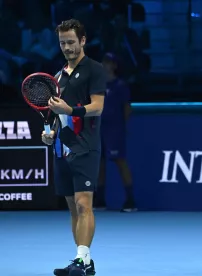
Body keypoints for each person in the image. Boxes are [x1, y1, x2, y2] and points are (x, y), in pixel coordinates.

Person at [41, 19, 106, 276]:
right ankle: (85, 263)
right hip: (62, 148)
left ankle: (81, 259)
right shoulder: (57, 76)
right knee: (72, 208)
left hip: (86, 146)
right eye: (62, 43)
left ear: (83, 40)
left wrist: (70, 109)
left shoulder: (95, 69)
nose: (67, 47)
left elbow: (97, 107)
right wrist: (52, 133)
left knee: (83, 205)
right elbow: (58, 115)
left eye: (71, 42)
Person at [95, 52, 136, 212]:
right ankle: (100, 200)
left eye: (108, 63)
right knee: (100, 164)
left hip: (114, 130)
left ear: (114, 66)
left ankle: (131, 200)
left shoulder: (120, 86)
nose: (104, 65)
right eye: (103, 62)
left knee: (120, 162)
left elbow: (127, 108)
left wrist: (120, 127)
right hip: (99, 129)